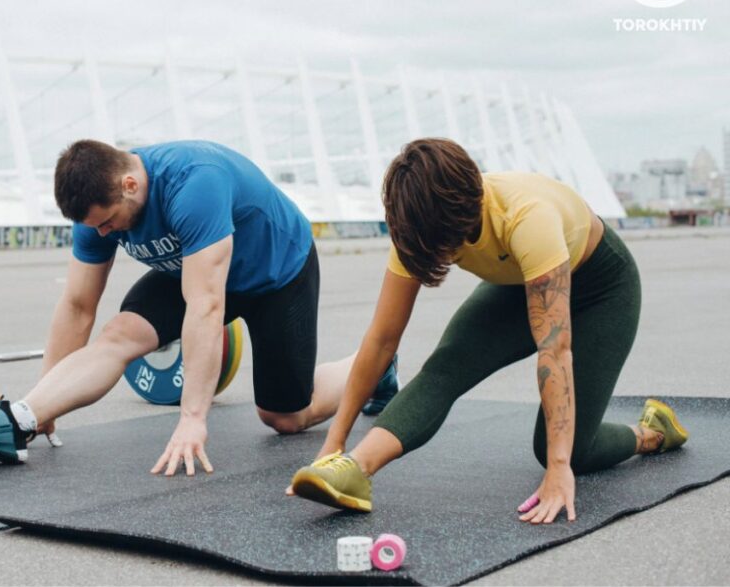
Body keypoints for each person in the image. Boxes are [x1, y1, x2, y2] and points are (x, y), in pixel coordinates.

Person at [0, 139, 399, 472]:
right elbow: (78, 305)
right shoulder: (94, 212)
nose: (104, 235)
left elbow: (205, 307)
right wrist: (44, 403)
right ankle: (14, 422)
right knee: (119, 334)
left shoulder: (195, 184)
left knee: (284, 417)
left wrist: (193, 418)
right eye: (95, 227)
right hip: (193, 270)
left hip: (275, 272)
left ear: (131, 184)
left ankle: (375, 366)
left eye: (110, 223)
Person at [290, 138, 688, 523]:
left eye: (442, 247)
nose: (434, 256)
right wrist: (334, 445)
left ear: (463, 215)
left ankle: (652, 432)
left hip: (602, 288)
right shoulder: (420, 226)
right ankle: (356, 469)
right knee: (446, 367)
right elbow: (380, 340)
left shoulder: (528, 217)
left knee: (566, 450)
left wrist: (558, 467)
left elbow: (555, 350)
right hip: (520, 282)